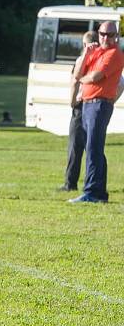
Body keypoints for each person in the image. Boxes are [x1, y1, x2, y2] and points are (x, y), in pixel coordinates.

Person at [69, 21, 124, 203]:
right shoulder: (95, 52)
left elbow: (95, 77)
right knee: (93, 147)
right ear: (98, 33)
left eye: (110, 35)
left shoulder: (115, 54)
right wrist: (86, 54)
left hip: (100, 105)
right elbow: (78, 72)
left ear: (116, 36)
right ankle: (99, 193)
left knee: (93, 147)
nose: (105, 38)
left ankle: (92, 191)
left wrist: (82, 80)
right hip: (87, 103)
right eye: (102, 34)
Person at [59, 31, 97, 192]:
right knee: (94, 146)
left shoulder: (82, 60)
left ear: (84, 44)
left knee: (75, 146)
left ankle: (70, 183)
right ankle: (94, 181)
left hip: (81, 104)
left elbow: (74, 82)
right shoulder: (103, 60)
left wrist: (72, 101)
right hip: (97, 105)